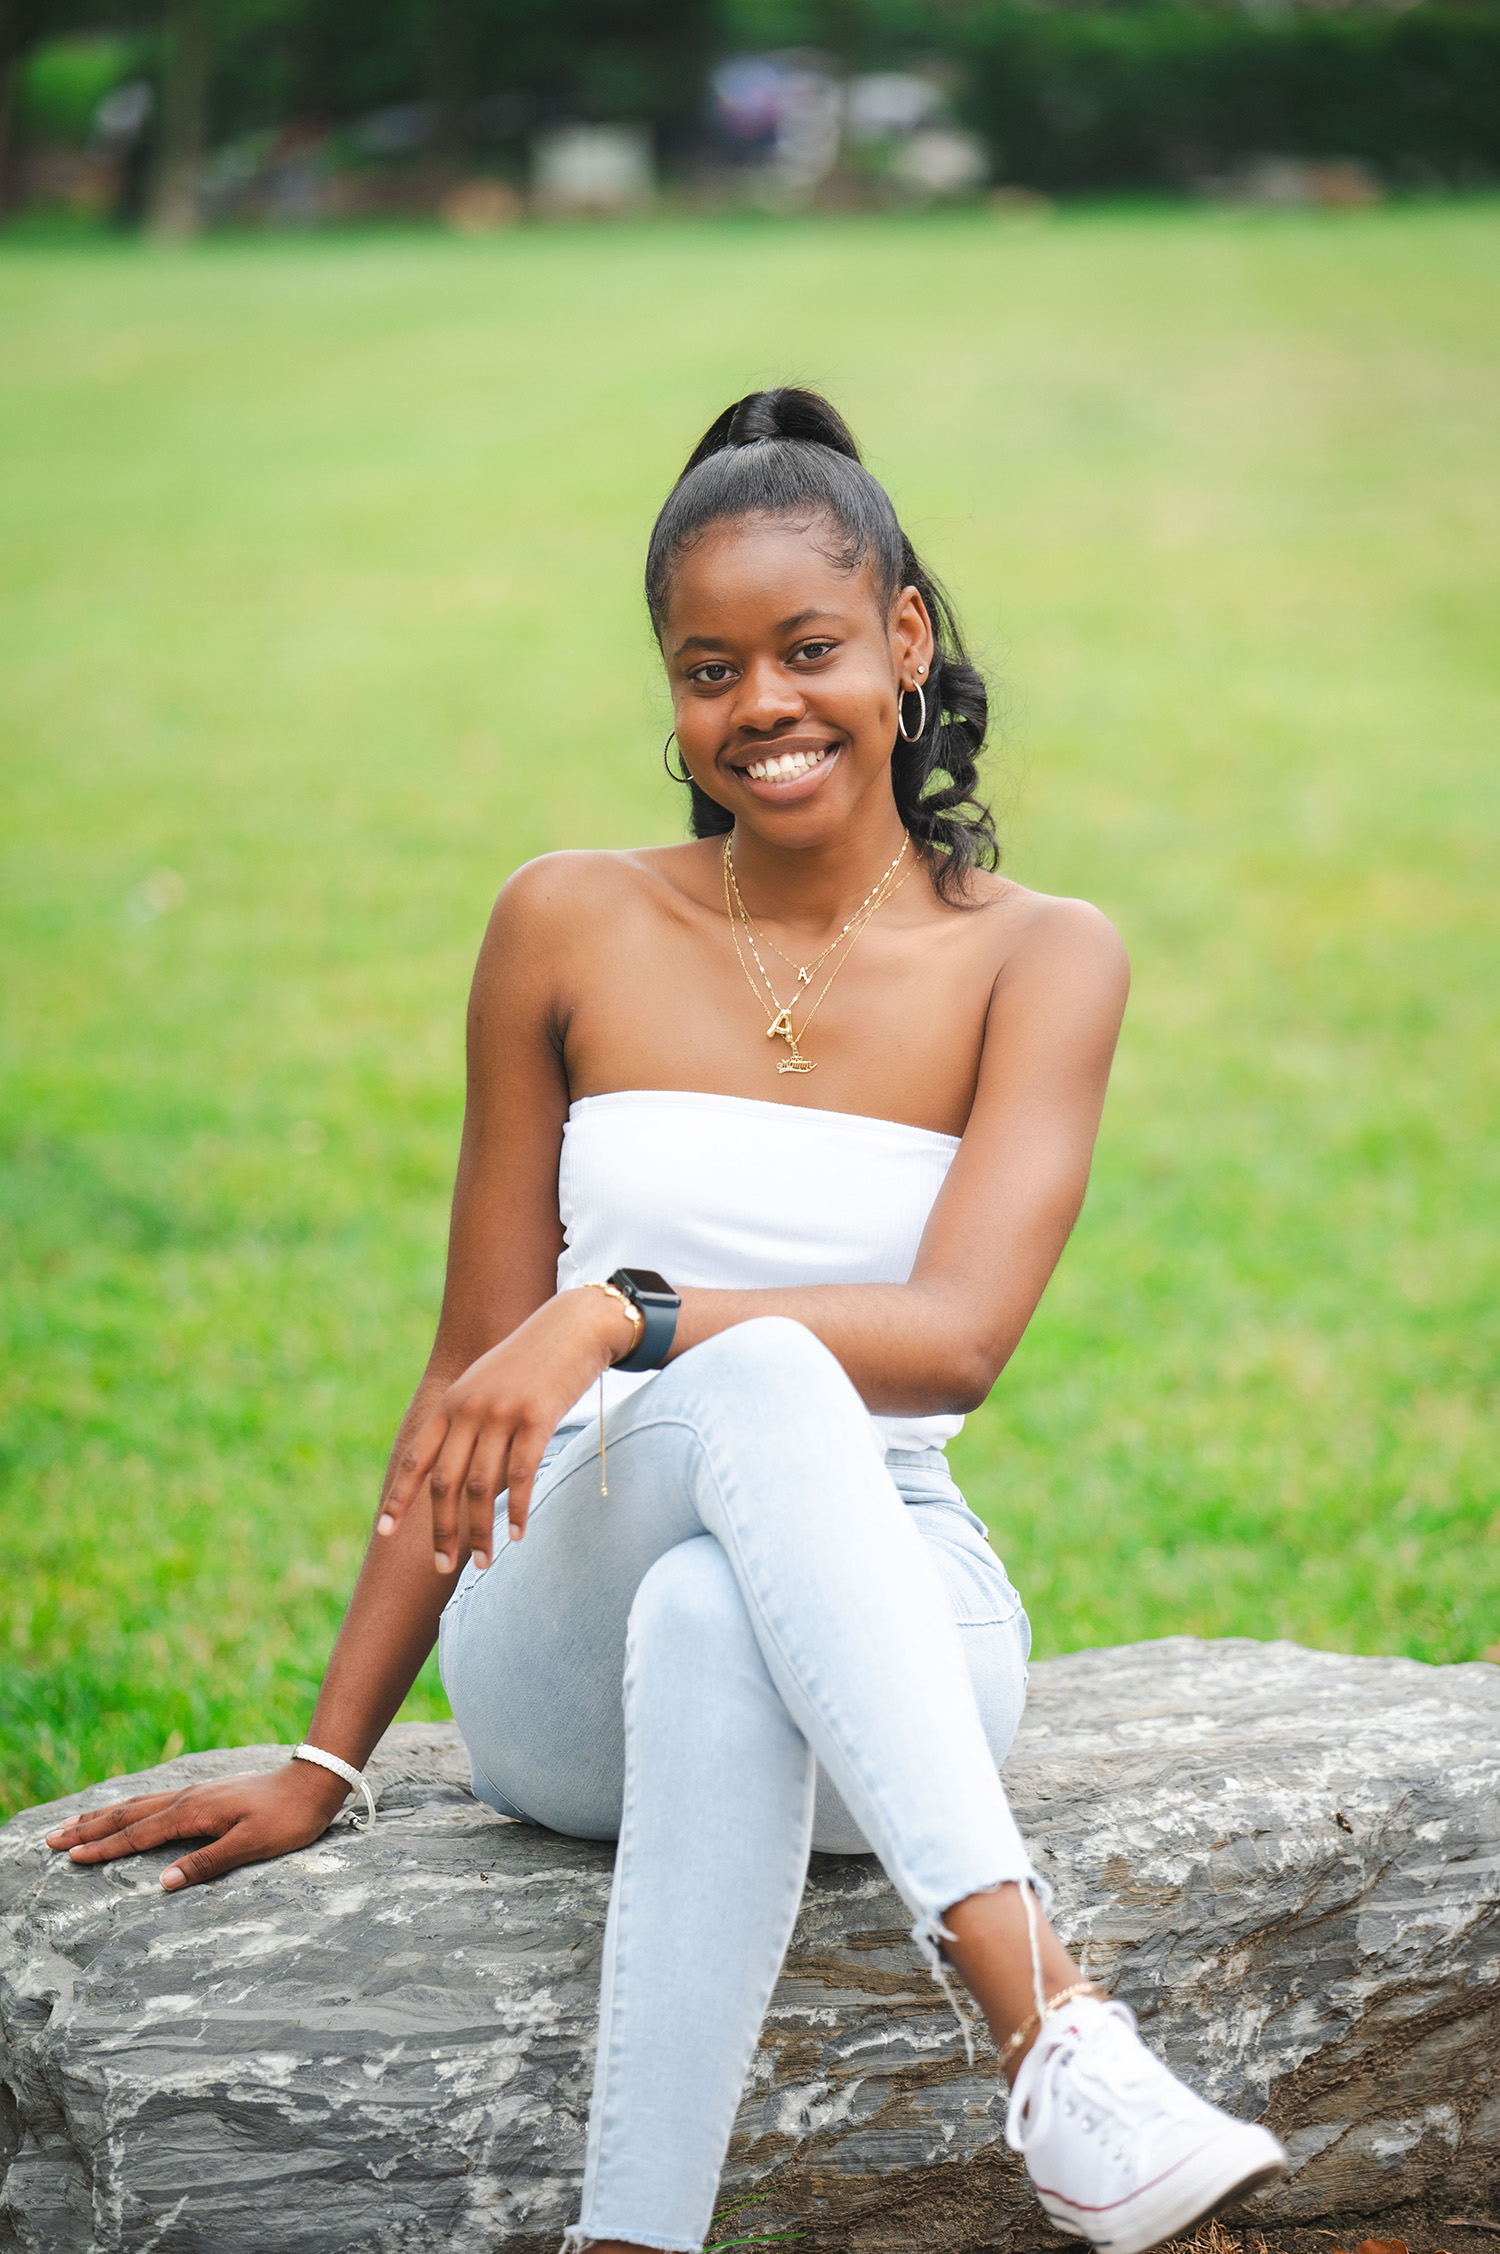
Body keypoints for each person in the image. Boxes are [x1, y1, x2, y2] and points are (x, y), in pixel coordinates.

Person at [47, 388, 1287, 2254]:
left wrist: (621, 1312)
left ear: (905, 642)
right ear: (672, 687)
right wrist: (328, 1758)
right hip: (566, 1625)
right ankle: (1055, 2035)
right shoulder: (564, 921)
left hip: (896, 1597)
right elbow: (467, 1376)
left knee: (736, 1579)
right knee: (750, 1396)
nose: (763, 709)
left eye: (808, 650)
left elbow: (952, 1342)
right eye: (712, 670)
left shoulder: (1044, 954)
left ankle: (633, 2241)